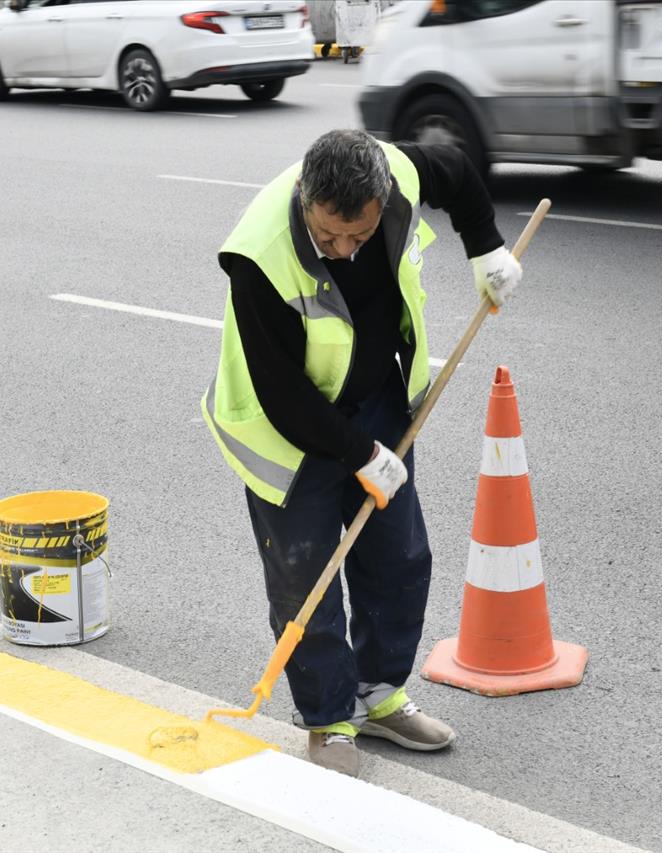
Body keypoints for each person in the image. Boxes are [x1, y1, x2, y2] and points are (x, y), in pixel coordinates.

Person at [202, 129, 522, 777]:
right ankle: (328, 717)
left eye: (360, 235)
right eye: (328, 238)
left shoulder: (397, 173)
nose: (345, 250)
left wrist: (486, 248)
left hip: (374, 395)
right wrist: (358, 454)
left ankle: (378, 696)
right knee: (308, 578)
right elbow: (282, 395)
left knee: (397, 554)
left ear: (380, 200)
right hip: (286, 430)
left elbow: (457, 169)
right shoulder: (257, 256)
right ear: (303, 199)